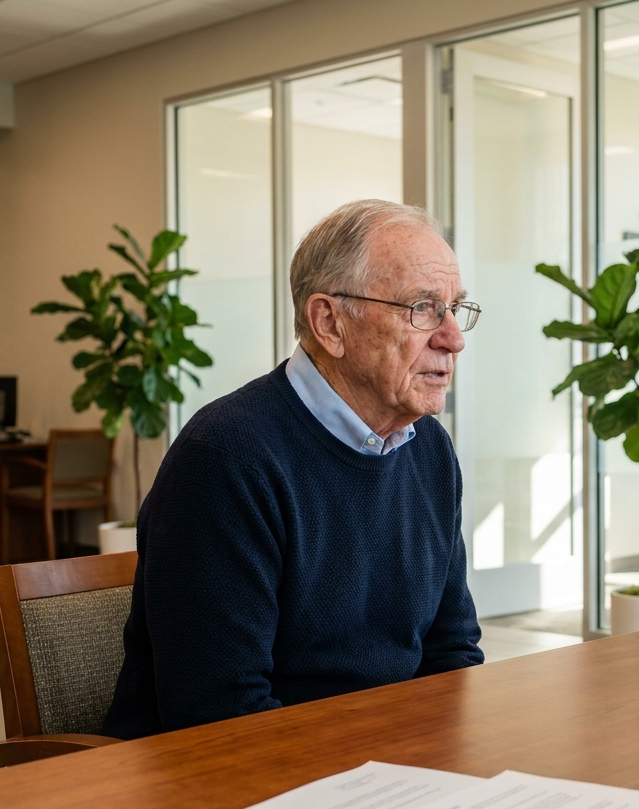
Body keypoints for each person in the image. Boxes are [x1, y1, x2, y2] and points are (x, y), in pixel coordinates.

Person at [104, 200, 485, 738]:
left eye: (455, 309)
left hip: (383, 772)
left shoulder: (428, 449)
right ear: (329, 322)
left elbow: (452, 651)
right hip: (221, 787)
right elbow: (220, 716)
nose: (453, 338)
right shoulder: (225, 457)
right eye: (422, 309)